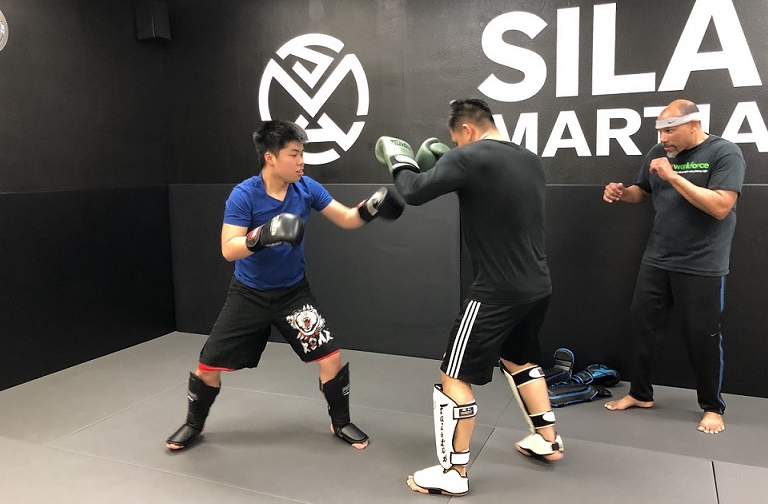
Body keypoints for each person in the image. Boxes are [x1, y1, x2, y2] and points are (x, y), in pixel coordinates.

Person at [166, 120, 405, 452]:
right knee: (207, 368)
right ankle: (193, 424)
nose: (301, 161)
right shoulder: (244, 194)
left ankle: (340, 422)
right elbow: (228, 248)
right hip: (248, 294)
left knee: (331, 358)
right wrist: (263, 235)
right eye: (294, 154)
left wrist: (370, 209)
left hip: (293, 294)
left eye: (302, 153)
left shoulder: (306, 188)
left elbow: (347, 218)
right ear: (270, 157)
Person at [376, 99, 563, 497]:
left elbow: (414, 191)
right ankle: (547, 439)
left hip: (495, 291)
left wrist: (400, 159)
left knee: (453, 376)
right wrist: (450, 164)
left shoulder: (470, 157)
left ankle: (453, 473)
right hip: (536, 285)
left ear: (467, 132)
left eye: (456, 142)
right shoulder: (526, 158)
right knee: (520, 359)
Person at [602, 99, 746, 435]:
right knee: (641, 326)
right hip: (658, 257)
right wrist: (623, 193)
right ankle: (640, 394)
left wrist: (673, 176)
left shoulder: (725, 153)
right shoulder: (658, 152)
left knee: (703, 336)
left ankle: (712, 407)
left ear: (694, 124)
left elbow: (722, 206)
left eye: (670, 130)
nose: (664, 137)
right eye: (660, 131)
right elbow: (644, 191)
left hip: (702, 262)